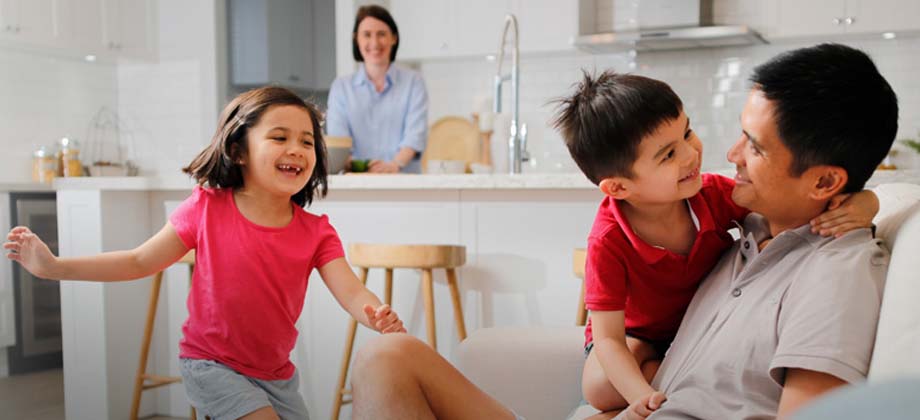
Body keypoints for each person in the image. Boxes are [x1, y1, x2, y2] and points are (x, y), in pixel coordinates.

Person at [347, 42, 898, 420]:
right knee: (386, 358)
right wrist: (869, 198)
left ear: (824, 181)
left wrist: (868, 202)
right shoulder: (750, 222)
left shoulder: (833, 271)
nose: (727, 155)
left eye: (753, 147)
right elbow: (611, 343)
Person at [4, 87, 407, 420]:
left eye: (307, 141)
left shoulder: (316, 232)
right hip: (211, 364)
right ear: (239, 151)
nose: (297, 149)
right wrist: (54, 267)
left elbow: (351, 291)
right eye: (279, 137)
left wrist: (375, 314)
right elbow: (138, 260)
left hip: (277, 375)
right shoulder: (206, 209)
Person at [551, 71, 878, 415]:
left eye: (687, 133)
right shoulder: (608, 239)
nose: (691, 155)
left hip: (690, 332)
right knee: (600, 388)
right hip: (635, 332)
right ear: (619, 188)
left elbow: (790, 205)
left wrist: (867, 201)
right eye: (668, 155)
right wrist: (642, 399)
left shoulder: (712, 196)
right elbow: (608, 339)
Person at [326, 4, 429, 173]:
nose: (374, 42)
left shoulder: (414, 82)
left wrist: (393, 166)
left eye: (381, 34)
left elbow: (415, 136)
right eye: (367, 34)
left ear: (393, 38)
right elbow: (340, 143)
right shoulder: (341, 87)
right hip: (359, 180)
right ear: (356, 39)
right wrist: (365, 168)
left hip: (404, 179)